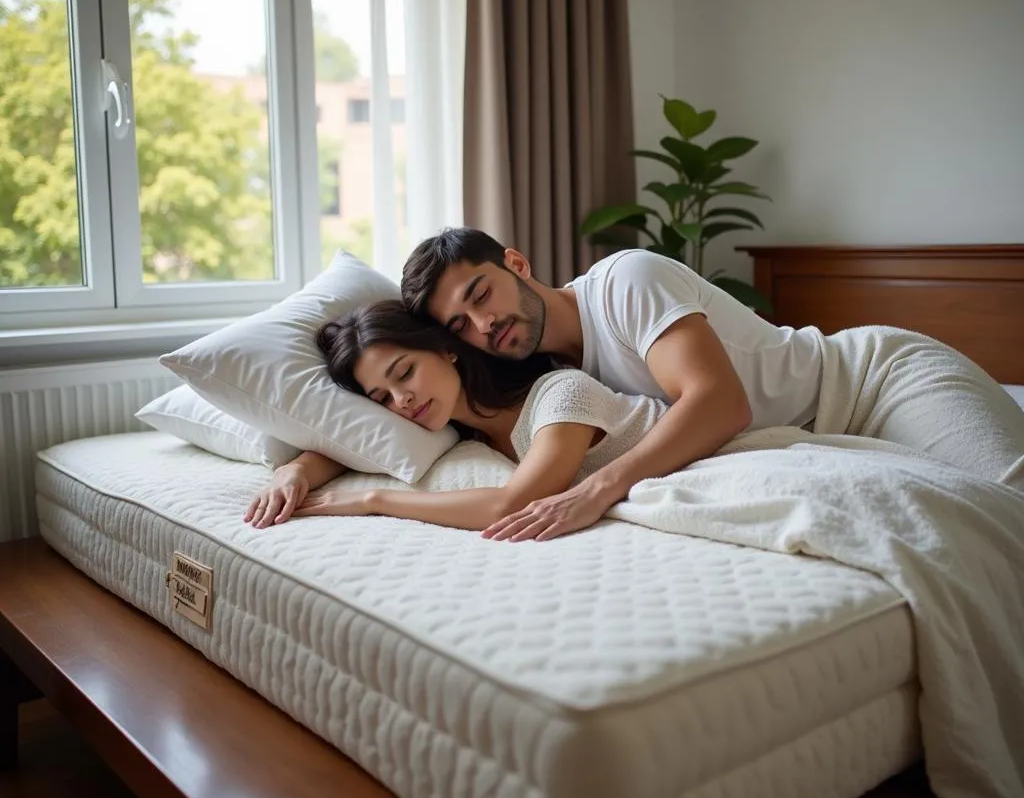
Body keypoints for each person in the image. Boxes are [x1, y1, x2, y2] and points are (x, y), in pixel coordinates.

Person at [396, 227, 1024, 539]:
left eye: (482, 294)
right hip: (814, 442)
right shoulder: (550, 377)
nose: (485, 324)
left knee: (1009, 509)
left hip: (874, 382)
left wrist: (598, 492)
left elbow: (720, 404)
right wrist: (315, 469)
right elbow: (424, 408)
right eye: (462, 325)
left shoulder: (625, 283)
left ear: (516, 263)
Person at [243, 300, 669, 536]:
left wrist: (373, 501)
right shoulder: (453, 429)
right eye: (382, 397)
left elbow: (511, 503)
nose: (402, 400)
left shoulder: (561, 393)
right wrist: (295, 469)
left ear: (446, 348)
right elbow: (354, 444)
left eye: (405, 372)